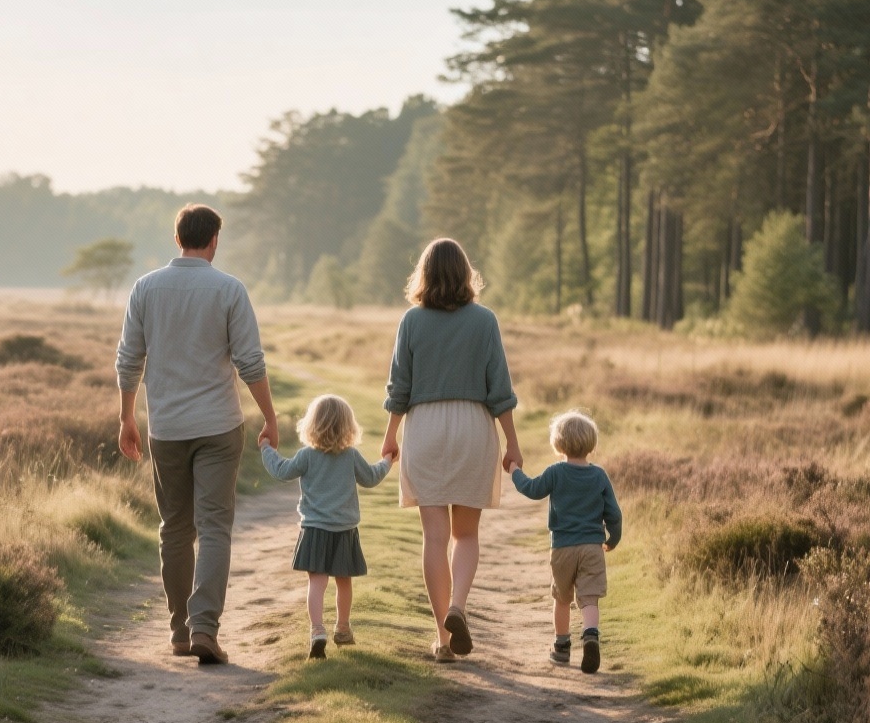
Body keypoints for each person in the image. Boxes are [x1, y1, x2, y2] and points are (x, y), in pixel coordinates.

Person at [115, 204, 280, 665]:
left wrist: (128, 417)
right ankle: (205, 627)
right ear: (213, 241)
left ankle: (180, 632)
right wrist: (269, 415)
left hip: (166, 428)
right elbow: (251, 362)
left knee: (174, 528)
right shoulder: (229, 289)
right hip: (219, 427)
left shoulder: (145, 289)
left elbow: (129, 358)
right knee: (214, 527)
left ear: (178, 238)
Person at [380, 239, 521, 663]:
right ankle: (459, 605)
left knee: (434, 537)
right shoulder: (485, 321)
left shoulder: (411, 321)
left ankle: (443, 637)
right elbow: (500, 388)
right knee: (466, 534)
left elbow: (398, 387)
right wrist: (512, 441)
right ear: (465, 274)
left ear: (423, 274)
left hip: (424, 428)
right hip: (473, 427)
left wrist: (391, 434)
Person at [259, 394, 394, 660]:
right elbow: (371, 477)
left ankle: (317, 631)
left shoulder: (307, 456)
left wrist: (266, 448)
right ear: (348, 427)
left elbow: (282, 471)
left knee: (317, 582)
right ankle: (343, 627)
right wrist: (388, 461)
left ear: (311, 425)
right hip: (344, 530)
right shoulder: (351, 456)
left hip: (315, 530)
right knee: (344, 582)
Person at [510, 410, 623, 674]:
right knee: (589, 598)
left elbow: (532, 489)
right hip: (592, 547)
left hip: (562, 548)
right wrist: (613, 538)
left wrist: (515, 471)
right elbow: (614, 514)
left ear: (558, 443)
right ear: (590, 443)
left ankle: (561, 648)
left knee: (562, 598)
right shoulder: (599, 476)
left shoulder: (556, 472)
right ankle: (591, 636)